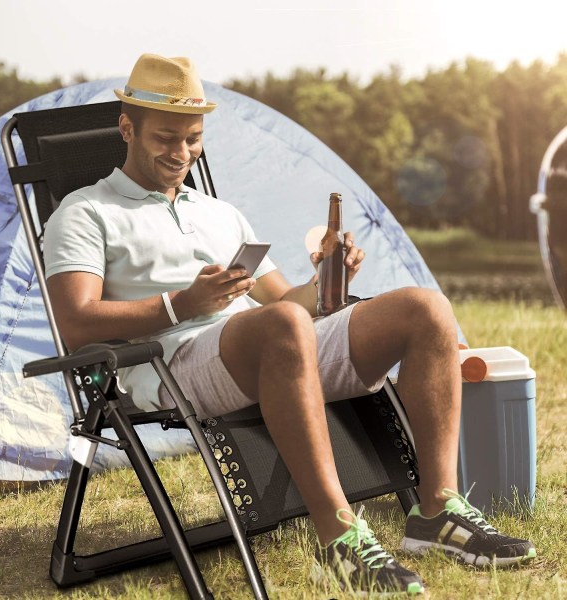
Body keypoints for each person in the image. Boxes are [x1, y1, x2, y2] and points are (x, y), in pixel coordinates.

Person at [43, 54, 536, 596]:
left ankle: (436, 511)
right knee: (279, 327)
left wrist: (328, 278)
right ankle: (340, 539)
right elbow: (74, 323)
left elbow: (289, 303)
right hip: (170, 363)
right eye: (166, 138)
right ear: (127, 127)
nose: (181, 153)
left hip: (273, 346)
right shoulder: (84, 211)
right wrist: (182, 304)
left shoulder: (219, 213)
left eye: (193, 138)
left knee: (426, 308)